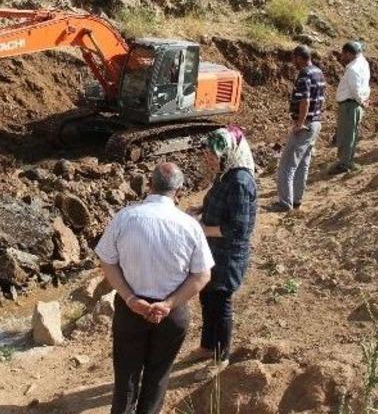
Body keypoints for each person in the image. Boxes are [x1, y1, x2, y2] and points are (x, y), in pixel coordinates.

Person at [96, 162, 213, 414]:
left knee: (126, 376)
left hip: (130, 310)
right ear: (179, 191)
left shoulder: (125, 218)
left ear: (149, 184)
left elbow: (106, 259)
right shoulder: (190, 225)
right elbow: (202, 275)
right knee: (158, 376)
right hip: (172, 314)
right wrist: (169, 304)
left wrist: (129, 298)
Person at [186, 126, 258, 379]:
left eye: (213, 155)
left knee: (220, 303)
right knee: (207, 297)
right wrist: (200, 209)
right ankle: (207, 347)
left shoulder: (240, 182)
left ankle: (221, 357)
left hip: (227, 255)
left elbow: (237, 228)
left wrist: (202, 228)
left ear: (229, 153)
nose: (209, 159)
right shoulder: (226, 174)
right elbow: (220, 204)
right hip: (212, 250)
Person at [270, 45, 327, 212]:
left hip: (305, 125)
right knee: (303, 164)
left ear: (300, 58)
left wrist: (300, 123)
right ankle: (296, 201)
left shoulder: (304, 74)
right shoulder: (318, 72)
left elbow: (305, 100)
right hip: (315, 123)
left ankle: (284, 203)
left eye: (294, 58)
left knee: (287, 165)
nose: (292, 62)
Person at [330, 41, 371, 174]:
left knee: (346, 136)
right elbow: (365, 85)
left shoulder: (353, 68)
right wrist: (364, 99)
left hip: (349, 105)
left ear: (349, 53)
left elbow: (355, 89)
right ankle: (348, 161)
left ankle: (344, 164)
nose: (342, 57)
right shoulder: (363, 63)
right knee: (352, 134)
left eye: (343, 54)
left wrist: (361, 100)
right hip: (355, 104)